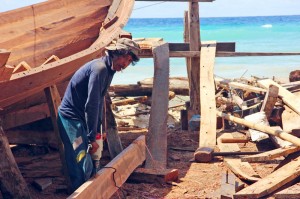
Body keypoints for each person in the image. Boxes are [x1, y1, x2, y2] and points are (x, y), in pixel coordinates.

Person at [57, 38, 140, 192]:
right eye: (126, 59)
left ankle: (90, 190)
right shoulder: (100, 68)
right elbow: (91, 105)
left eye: (130, 62)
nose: (126, 65)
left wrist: (99, 131)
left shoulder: (110, 69)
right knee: (80, 159)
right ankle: (80, 193)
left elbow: (100, 100)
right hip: (71, 119)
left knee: (92, 160)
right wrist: (91, 135)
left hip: (81, 118)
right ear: (117, 53)